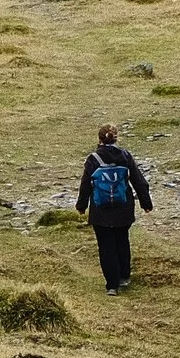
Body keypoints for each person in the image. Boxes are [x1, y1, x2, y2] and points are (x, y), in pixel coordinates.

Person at [76, 123, 152, 293]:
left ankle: (112, 285)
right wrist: (146, 203)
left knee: (106, 246)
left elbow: (85, 185)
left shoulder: (93, 159)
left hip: (100, 212)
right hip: (123, 209)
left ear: (99, 139)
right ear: (117, 138)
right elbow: (138, 181)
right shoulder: (125, 156)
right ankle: (124, 277)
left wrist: (81, 206)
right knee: (122, 241)